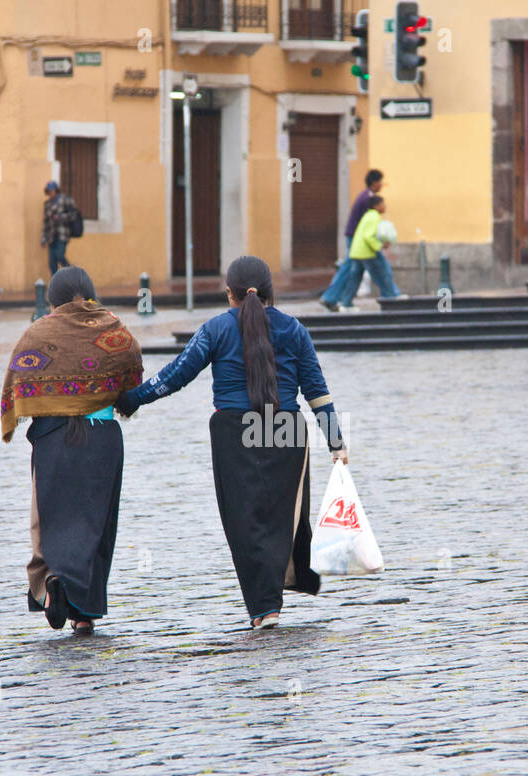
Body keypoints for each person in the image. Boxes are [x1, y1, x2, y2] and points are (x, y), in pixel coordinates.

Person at [116, 255, 348, 630]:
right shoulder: (295, 330)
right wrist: (336, 442)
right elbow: (317, 391)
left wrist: (131, 399)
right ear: (271, 293)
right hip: (286, 432)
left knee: (244, 523)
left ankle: (263, 608)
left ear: (229, 295)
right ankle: (275, 598)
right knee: (278, 519)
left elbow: (176, 375)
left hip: (234, 434)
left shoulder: (215, 330)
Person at [0, 266, 143, 634]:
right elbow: (131, 378)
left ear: (53, 301)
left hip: (53, 437)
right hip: (103, 437)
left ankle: (53, 582)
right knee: (97, 524)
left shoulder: (38, 332)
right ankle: (85, 612)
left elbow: (17, 379)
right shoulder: (115, 329)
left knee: (53, 518)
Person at [318, 169, 384, 311]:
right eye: (380, 182)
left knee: (352, 270)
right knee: (348, 268)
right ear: (374, 183)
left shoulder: (365, 196)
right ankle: (330, 297)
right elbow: (366, 224)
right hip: (355, 238)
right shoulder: (368, 199)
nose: (382, 185)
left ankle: (340, 299)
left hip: (354, 237)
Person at [336, 194, 403, 308]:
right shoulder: (374, 217)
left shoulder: (367, 215)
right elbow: (368, 236)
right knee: (381, 275)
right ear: (376, 206)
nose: (385, 206)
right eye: (383, 204)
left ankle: (346, 303)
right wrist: (380, 246)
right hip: (367, 253)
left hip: (357, 252)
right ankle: (390, 298)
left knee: (355, 279)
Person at [40, 180, 82, 275]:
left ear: (56, 190)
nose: (50, 193)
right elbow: (45, 223)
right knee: (52, 262)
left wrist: (60, 217)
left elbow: (74, 214)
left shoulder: (65, 199)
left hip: (62, 234)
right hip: (51, 236)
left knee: (59, 255)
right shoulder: (47, 204)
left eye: (52, 190)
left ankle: (72, 273)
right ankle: (55, 285)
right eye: (48, 191)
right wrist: (43, 239)